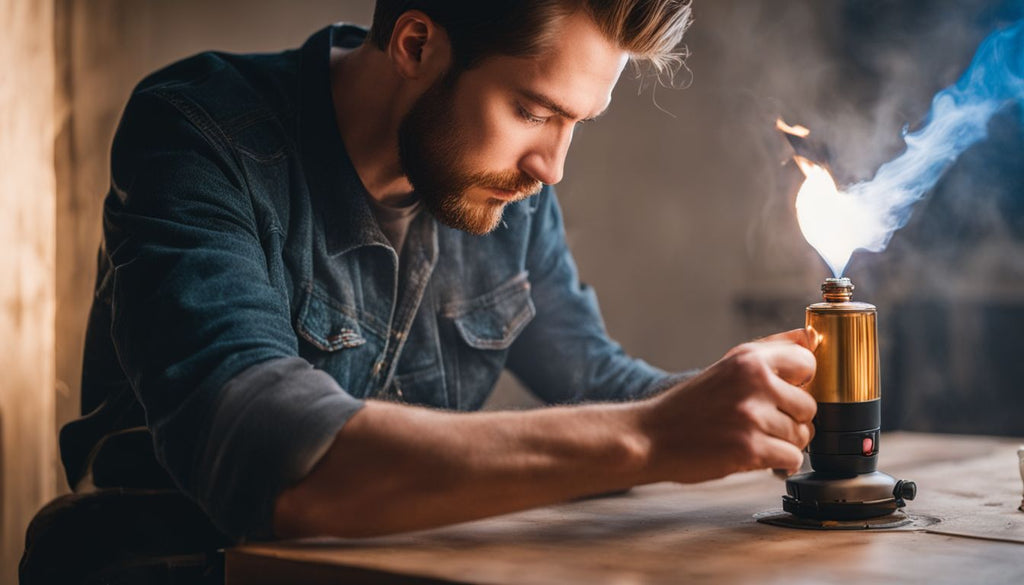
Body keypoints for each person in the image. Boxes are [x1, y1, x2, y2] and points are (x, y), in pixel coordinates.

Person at [59, 0, 817, 545]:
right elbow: (267, 451)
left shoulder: (506, 194)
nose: (550, 168)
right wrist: (654, 436)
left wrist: (753, 397)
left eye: (576, 123)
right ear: (417, 44)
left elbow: (596, 380)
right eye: (533, 111)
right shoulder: (199, 134)